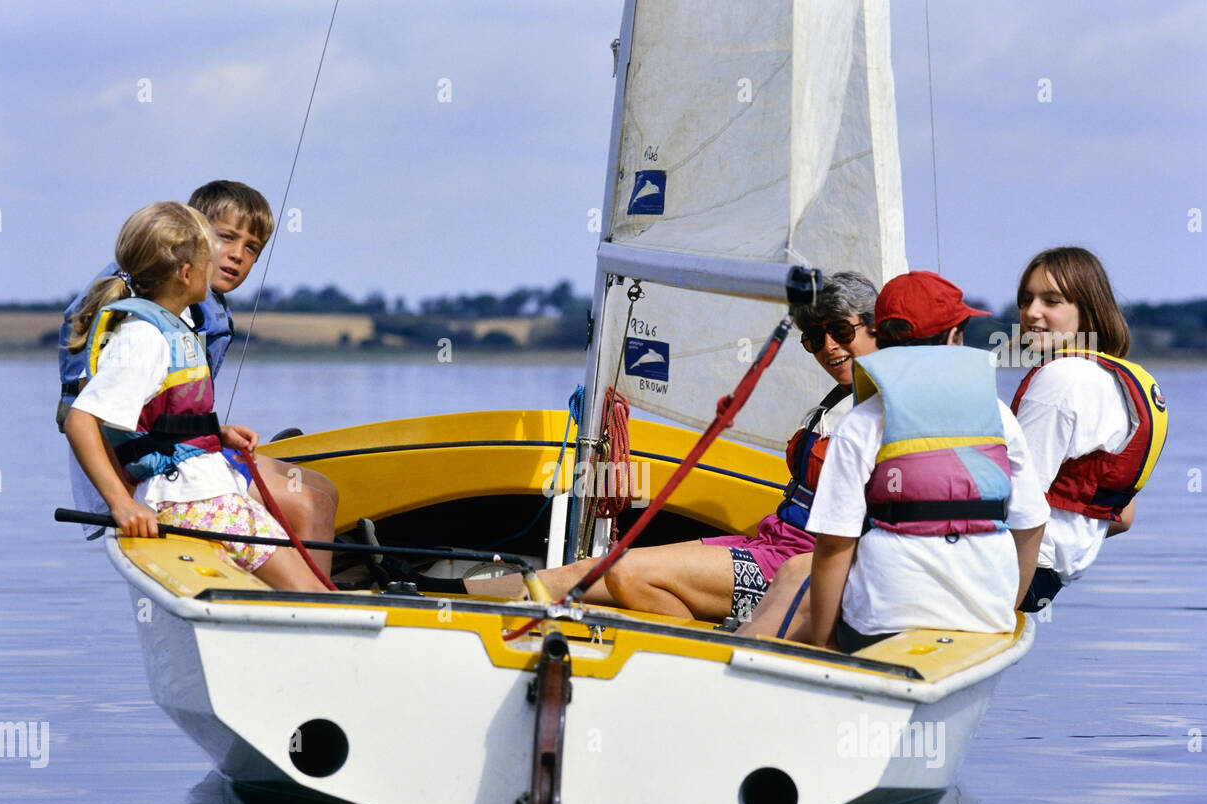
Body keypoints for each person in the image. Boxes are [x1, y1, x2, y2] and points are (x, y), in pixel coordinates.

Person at [468, 272, 881, 622]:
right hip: (769, 545)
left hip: (795, 569)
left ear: (874, 326)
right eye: (814, 337)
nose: (828, 346)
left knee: (626, 574)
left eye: (842, 331)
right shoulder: (835, 403)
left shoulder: (884, 410)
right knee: (591, 571)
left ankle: (698, 660)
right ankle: (449, 591)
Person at [58, 180, 339, 573]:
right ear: (191, 239)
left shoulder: (191, 311)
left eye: (252, 249)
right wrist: (121, 499)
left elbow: (164, 403)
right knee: (309, 503)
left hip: (185, 452)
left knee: (323, 489)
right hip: (157, 475)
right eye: (225, 239)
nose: (237, 256)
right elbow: (88, 414)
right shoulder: (150, 322)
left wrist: (215, 430)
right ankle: (306, 605)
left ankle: (298, 590)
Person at [779, 271, 1049, 652]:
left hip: (881, 623)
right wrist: (1006, 609)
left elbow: (835, 545)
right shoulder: (1000, 417)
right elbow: (1031, 524)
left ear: (881, 339)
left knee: (795, 640)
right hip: (984, 621)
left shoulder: (860, 423)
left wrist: (823, 639)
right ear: (955, 336)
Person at [1010, 247, 1168, 612]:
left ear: (1087, 311)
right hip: (1048, 580)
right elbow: (1123, 519)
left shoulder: (1062, 378)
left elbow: (1021, 500)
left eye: (1051, 301)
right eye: (1026, 298)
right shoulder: (1114, 380)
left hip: (1017, 573)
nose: (1031, 312)